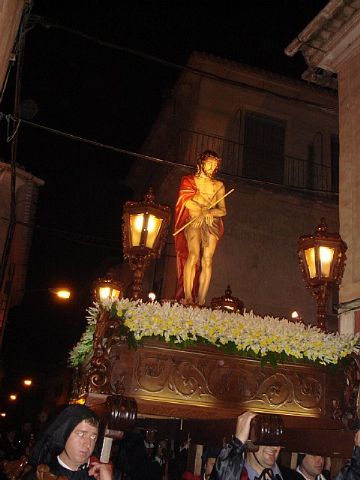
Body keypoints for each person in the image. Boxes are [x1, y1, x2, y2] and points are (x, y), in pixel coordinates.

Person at [174, 150, 227, 305]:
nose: (212, 167)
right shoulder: (189, 180)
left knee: (208, 259)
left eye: (215, 165)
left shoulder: (219, 186)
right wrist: (201, 210)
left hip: (211, 223)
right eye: (209, 163)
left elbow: (223, 210)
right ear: (201, 163)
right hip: (193, 220)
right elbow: (185, 200)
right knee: (194, 254)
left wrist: (208, 212)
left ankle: (202, 300)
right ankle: (188, 296)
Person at [23, 404, 112, 480]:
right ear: (64, 434)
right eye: (81, 434)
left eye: (93, 437)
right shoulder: (39, 476)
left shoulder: (103, 477)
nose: (88, 444)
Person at [212, 411, 290, 480]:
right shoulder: (237, 475)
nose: (274, 447)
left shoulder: (293, 477)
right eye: (266, 439)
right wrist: (237, 444)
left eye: (277, 441)